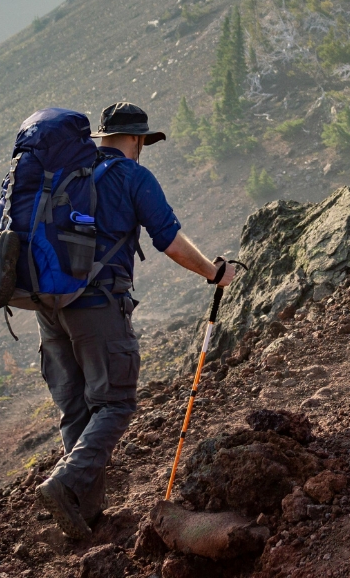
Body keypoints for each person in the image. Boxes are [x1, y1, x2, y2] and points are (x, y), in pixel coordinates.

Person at [34, 102, 236, 541]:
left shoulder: (67, 174)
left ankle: (83, 516)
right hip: (98, 305)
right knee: (116, 403)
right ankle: (66, 485)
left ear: (102, 136)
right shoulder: (132, 176)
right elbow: (170, 241)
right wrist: (215, 273)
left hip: (49, 307)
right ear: (139, 140)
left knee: (78, 409)